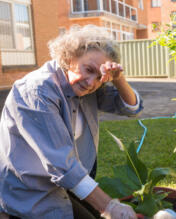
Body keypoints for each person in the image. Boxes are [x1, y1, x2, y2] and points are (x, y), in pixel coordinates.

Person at [0, 25, 143, 219]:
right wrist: (109, 207)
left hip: (70, 185)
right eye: (89, 69)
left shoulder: (84, 86)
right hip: (31, 192)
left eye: (100, 76)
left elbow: (131, 108)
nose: (92, 82)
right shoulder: (37, 91)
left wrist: (118, 79)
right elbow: (61, 164)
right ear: (69, 58)